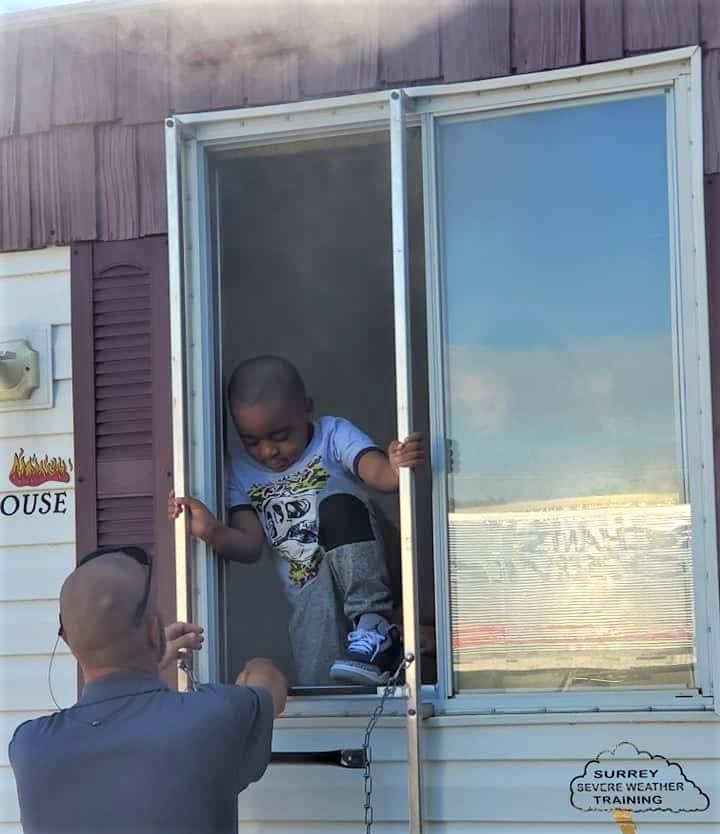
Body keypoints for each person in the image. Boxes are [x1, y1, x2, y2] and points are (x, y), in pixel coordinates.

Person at [169, 354, 423, 686]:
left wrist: (395, 468)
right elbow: (250, 545)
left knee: (333, 494)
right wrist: (211, 531)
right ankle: (367, 653)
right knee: (324, 682)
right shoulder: (240, 471)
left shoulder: (332, 435)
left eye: (280, 436)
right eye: (252, 442)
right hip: (312, 594)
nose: (268, 451)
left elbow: (379, 475)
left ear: (307, 409)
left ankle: (374, 623)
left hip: (370, 573)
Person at [9, 545, 287, 834]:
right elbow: (270, 685)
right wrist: (257, 667)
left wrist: (148, 653)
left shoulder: (30, 747)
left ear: (67, 640)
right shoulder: (212, 718)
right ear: (155, 630)